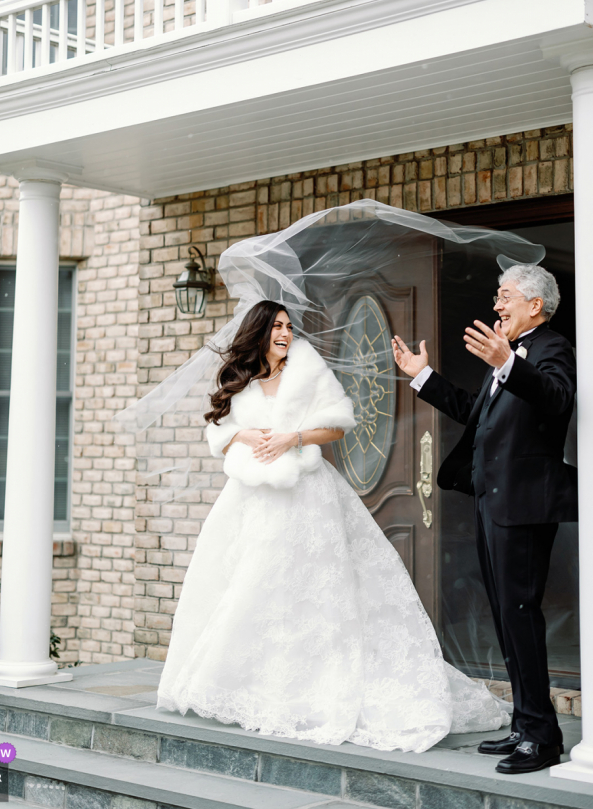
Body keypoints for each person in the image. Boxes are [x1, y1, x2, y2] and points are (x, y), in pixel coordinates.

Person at [158, 299, 510, 751]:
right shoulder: (239, 379)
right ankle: (256, 688)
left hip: (308, 494)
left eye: (288, 326)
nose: (285, 334)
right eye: (277, 327)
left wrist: (294, 436)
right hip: (251, 499)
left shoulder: (307, 368)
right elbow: (219, 432)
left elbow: (340, 426)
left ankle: (316, 686)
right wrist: (241, 435)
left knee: (313, 588)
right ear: (259, 333)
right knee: (251, 586)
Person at [392, 264, 577, 775]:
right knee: (505, 618)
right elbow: (475, 411)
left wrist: (508, 364)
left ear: (534, 306)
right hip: (493, 502)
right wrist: (422, 377)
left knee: (521, 614)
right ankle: (524, 724)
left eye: (505, 296)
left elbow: (558, 397)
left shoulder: (551, 349)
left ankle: (542, 740)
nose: (497, 305)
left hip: (524, 507)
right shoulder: (509, 356)